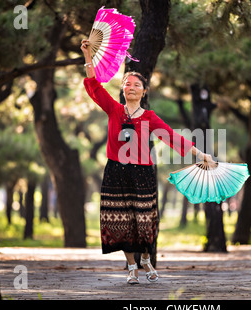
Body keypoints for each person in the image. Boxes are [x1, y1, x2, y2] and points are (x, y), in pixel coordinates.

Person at [81, 39, 214, 285]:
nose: (131, 87)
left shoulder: (150, 117)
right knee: (118, 220)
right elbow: (94, 87)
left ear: (144, 91)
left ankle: (145, 258)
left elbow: (174, 139)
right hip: (115, 172)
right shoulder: (114, 110)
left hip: (142, 173)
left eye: (136, 85)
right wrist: (88, 55)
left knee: (143, 222)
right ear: (122, 89)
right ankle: (132, 267)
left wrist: (201, 154)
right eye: (127, 84)